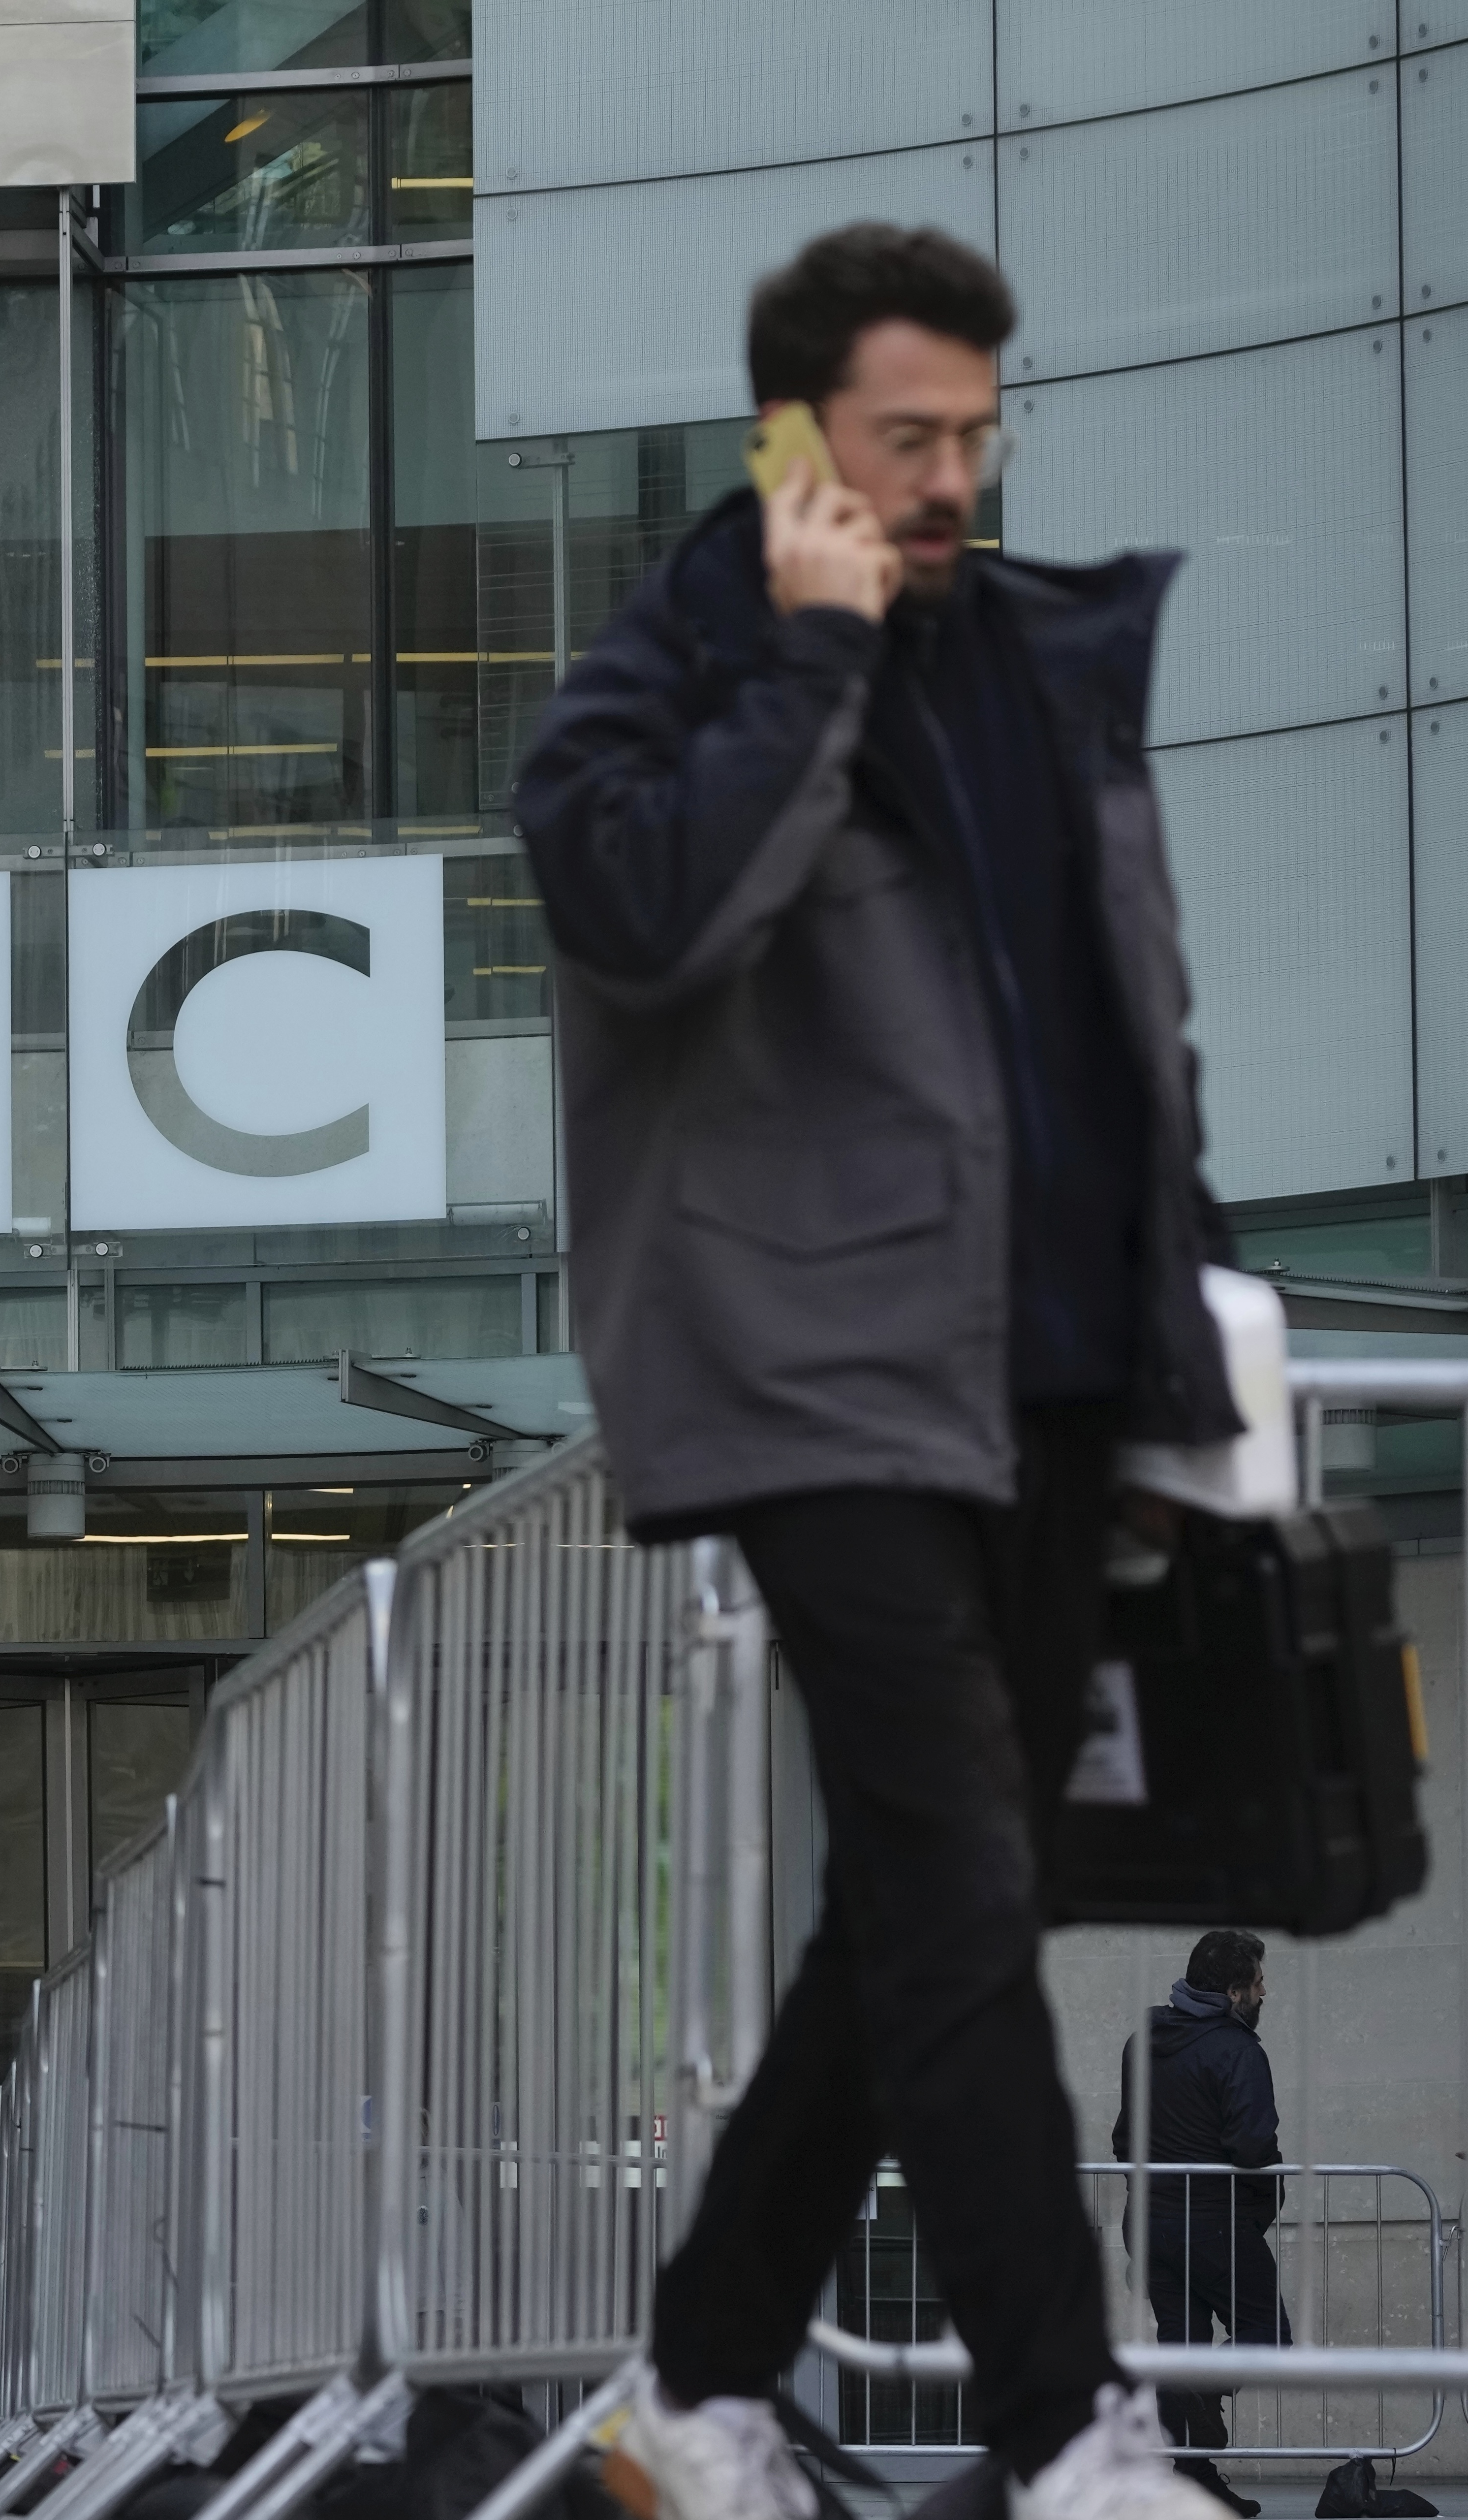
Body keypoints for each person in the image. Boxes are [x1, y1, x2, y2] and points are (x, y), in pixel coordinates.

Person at [514, 221, 1241, 2520]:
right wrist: (809, 661)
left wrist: (1178, 1356)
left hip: (1042, 1384)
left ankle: (693, 2384)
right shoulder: (668, 670)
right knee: (944, 1877)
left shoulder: (1027, 665)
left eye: (969, 435)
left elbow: (1126, 1032)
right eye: (899, 434)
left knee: (936, 1901)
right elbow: (644, 916)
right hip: (806, 1370)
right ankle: (1068, 2432)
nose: (944, 478)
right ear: (787, 437)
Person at [1114, 1933, 1284, 2517]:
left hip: (1149, 2221)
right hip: (1212, 2221)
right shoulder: (1237, 2050)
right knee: (1268, 2335)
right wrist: (1264, 2198)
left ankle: (1191, 2482)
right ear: (1234, 1992)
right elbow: (1252, 2144)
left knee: (1181, 2343)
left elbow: (1124, 2139)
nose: (1264, 1991)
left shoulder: (1143, 2042)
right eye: (1257, 1981)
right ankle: (1200, 2390)